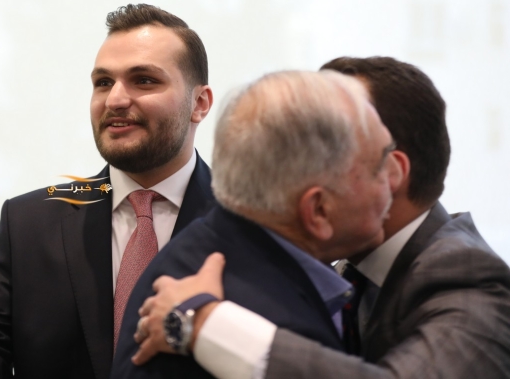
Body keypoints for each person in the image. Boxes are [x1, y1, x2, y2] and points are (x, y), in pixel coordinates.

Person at [132, 56, 510, 379]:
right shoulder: (303, 264)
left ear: (392, 171)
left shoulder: (468, 280)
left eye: (323, 131)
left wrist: (206, 324)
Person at [0, 4, 217, 379]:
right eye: (103, 82)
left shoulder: (250, 223)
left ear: (199, 103)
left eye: (144, 80)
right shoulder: (29, 223)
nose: (115, 100)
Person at [111, 69, 402, 378]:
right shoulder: (281, 327)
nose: (396, 179)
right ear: (318, 210)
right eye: (379, 166)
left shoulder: (206, 249)